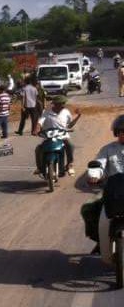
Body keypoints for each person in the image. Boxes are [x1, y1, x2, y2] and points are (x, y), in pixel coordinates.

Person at [80, 115, 124, 253]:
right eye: (122, 131)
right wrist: (94, 176)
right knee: (88, 208)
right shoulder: (108, 149)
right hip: (113, 191)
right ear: (117, 133)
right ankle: (100, 239)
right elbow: (99, 164)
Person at [34, 94, 81, 176]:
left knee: (70, 145)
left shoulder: (66, 112)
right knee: (38, 149)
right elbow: (40, 122)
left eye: (63, 103)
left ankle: (70, 164)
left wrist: (78, 116)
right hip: (48, 135)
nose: (63, 105)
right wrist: (36, 130)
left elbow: (69, 125)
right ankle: (39, 167)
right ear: (55, 104)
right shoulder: (46, 112)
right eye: (60, 103)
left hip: (62, 135)